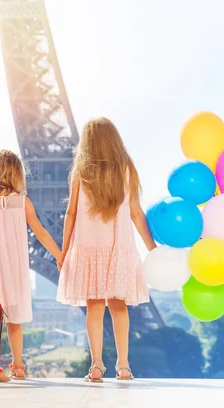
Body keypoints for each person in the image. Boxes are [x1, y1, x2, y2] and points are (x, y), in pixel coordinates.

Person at [56, 117, 156, 382]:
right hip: (118, 248)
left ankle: (97, 366)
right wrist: (152, 249)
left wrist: (64, 252)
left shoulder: (81, 171)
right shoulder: (126, 168)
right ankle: (123, 366)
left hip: (88, 248)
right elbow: (136, 213)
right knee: (119, 307)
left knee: (94, 308)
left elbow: (71, 213)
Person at [0, 149, 63, 382]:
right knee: (14, 321)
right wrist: (59, 255)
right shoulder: (23, 201)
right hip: (15, 266)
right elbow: (41, 232)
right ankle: (18, 366)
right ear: (17, 172)